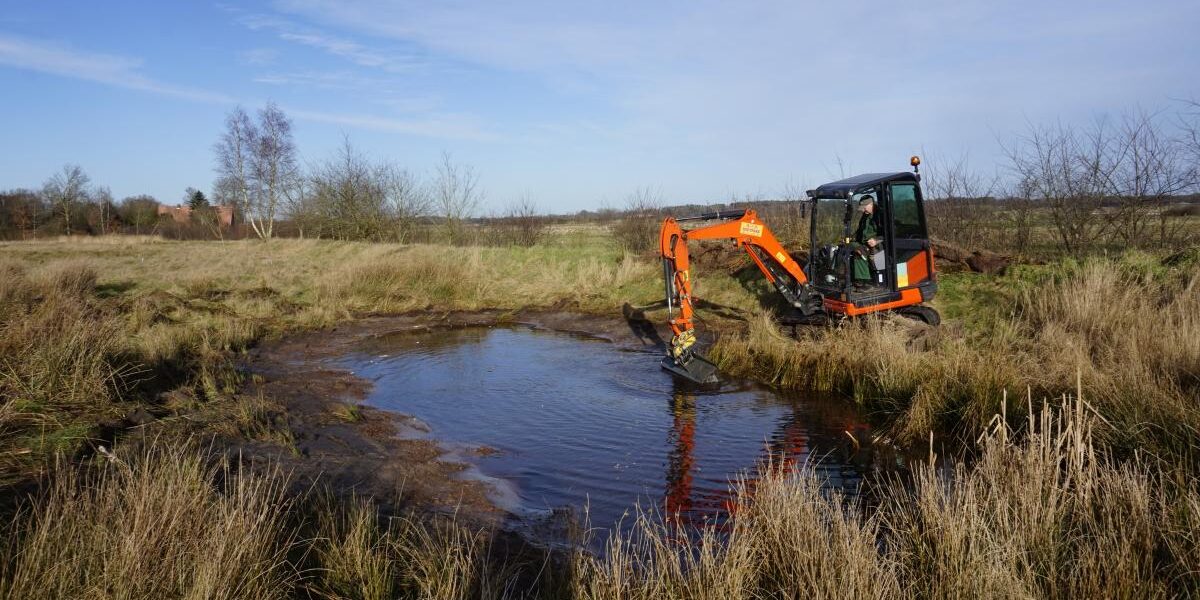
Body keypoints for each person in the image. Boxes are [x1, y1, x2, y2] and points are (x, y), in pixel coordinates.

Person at [852, 195, 883, 285]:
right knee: (845, 248)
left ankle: (865, 283)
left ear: (871, 204)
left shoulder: (880, 215)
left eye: (864, 207)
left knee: (860, 253)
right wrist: (851, 238)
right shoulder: (865, 215)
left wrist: (876, 240)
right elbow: (860, 231)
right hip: (865, 243)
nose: (862, 210)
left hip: (879, 244)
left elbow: (888, 233)